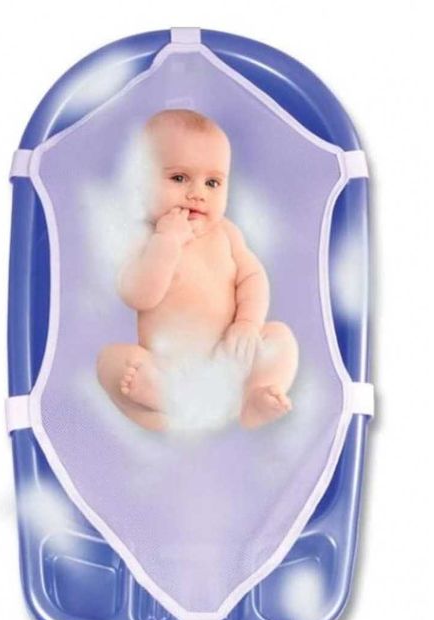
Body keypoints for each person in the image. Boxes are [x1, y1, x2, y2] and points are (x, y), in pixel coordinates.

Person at [96, 109, 298, 431]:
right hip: (170, 369)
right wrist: (167, 242)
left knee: (280, 337)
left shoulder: (227, 233)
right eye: (179, 178)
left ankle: (254, 397)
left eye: (212, 182)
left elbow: (253, 278)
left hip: (232, 363)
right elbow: (138, 295)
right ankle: (168, 400)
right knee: (110, 362)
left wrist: (247, 324)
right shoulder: (142, 239)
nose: (198, 194)